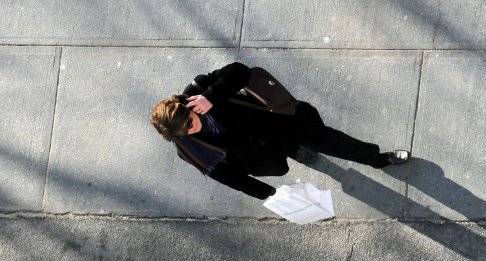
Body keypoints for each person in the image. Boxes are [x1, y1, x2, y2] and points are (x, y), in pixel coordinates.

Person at [149, 62, 409, 200]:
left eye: (191, 122)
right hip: (261, 153)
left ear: (187, 108)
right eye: (186, 133)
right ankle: (296, 152)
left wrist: (211, 96)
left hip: (281, 123)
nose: (193, 130)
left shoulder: (198, 91)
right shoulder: (187, 147)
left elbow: (240, 71)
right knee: (289, 156)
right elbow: (225, 175)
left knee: (331, 142)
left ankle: (377, 159)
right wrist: (267, 193)